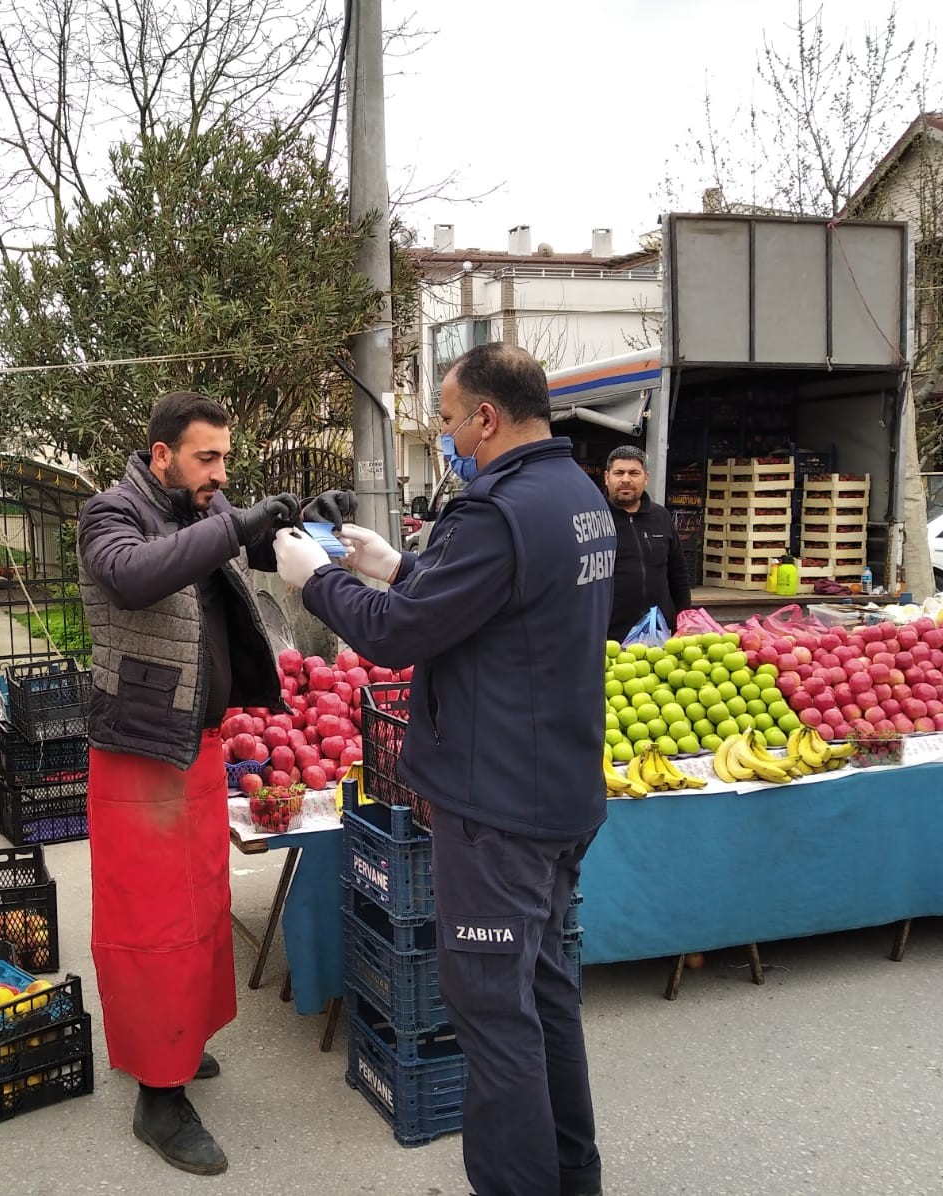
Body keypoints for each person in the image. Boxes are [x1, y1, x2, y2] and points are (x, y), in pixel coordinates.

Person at [272, 344, 612, 1196]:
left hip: (498, 804)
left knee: (495, 1022)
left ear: (487, 418)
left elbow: (395, 635)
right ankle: (574, 1176)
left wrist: (315, 583)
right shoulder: (576, 495)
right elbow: (495, 601)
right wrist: (395, 566)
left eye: (451, 421)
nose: (449, 437)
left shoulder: (494, 512)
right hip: (559, 789)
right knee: (544, 997)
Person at [76, 391, 351, 1177]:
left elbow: (249, 557)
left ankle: (178, 1045)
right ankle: (156, 1098)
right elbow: (134, 577)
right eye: (208, 458)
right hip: (137, 752)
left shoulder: (208, 510)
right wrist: (233, 521)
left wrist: (311, 527)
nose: (220, 473)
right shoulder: (110, 514)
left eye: (225, 459)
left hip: (192, 746)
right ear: (161, 454)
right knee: (150, 923)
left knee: (198, 908)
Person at [603, 444, 690, 642]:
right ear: (607, 477)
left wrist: (683, 616)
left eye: (634, 473)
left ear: (646, 478)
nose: (626, 479)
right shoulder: (594, 517)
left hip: (658, 633)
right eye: (619, 473)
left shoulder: (661, 516)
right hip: (608, 636)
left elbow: (678, 572)